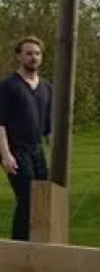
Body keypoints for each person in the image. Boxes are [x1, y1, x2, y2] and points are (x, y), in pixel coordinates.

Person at [0, 36, 52, 241]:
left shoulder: (47, 88)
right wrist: (6, 155)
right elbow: (0, 123)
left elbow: (49, 127)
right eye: (29, 54)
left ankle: (37, 245)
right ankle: (19, 247)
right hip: (16, 149)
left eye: (37, 54)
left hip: (36, 150)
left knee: (42, 198)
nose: (33, 58)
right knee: (26, 199)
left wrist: (54, 154)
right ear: (19, 56)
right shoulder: (8, 86)